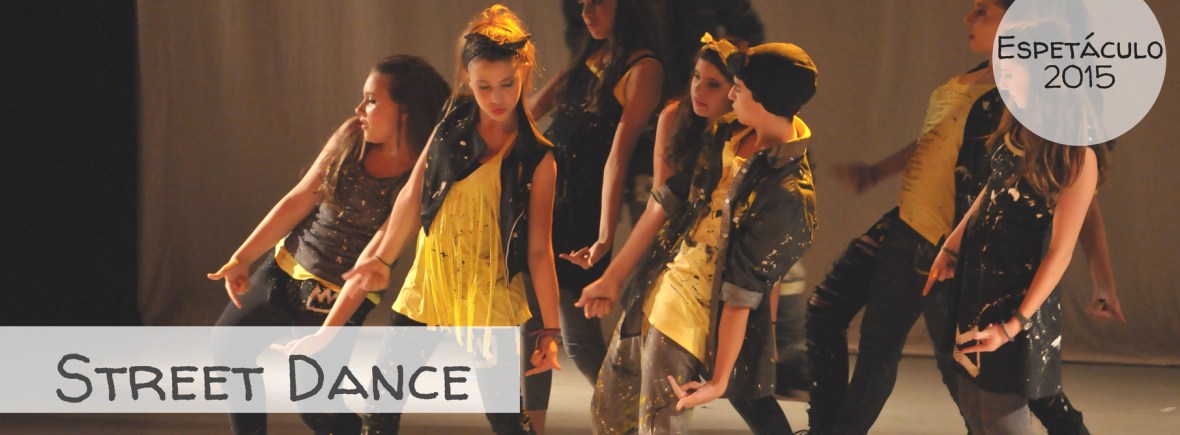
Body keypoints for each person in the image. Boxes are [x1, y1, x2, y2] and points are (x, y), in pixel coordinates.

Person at [290, 5, 562, 434]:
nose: (496, 98)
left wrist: (550, 331)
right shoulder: (451, 123)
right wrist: (382, 259)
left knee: (507, 420)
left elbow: (539, 252)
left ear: (524, 72)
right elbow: (412, 195)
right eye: (483, 86)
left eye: (507, 84)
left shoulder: (537, 158)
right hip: (429, 284)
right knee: (382, 404)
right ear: (467, 78)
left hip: (488, 297)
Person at [578, 41, 819, 433]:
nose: (731, 95)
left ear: (765, 99)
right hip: (659, 284)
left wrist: (721, 379)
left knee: (659, 421)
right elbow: (668, 199)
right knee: (609, 412)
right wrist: (612, 277)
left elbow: (743, 290)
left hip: (694, 313)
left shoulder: (787, 191)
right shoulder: (728, 132)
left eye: (738, 87)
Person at [206, 55, 450, 434]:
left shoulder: (418, 179)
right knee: (227, 347)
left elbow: (373, 258)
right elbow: (298, 200)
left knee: (316, 407)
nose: (359, 109)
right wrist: (243, 257)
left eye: (372, 100)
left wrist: (325, 334)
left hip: (340, 294)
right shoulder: (352, 136)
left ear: (405, 112)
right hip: (286, 267)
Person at [924, 18, 1111, 432]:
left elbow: (1059, 252)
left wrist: (1013, 326)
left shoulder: (1075, 156)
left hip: (1018, 304)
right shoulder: (1015, 128)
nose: (1002, 76)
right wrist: (951, 246)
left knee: (999, 414)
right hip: (979, 286)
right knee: (975, 407)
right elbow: (990, 192)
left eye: (1013, 67)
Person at [524, 0, 664, 429]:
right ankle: (535, 425)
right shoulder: (590, 56)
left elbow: (617, 159)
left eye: (597, 2)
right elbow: (530, 113)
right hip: (541, 198)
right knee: (537, 328)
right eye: (582, 3)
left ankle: (634, 418)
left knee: (576, 337)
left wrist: (604, 236)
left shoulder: (643, 69)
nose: (586, 11)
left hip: (579, 211)